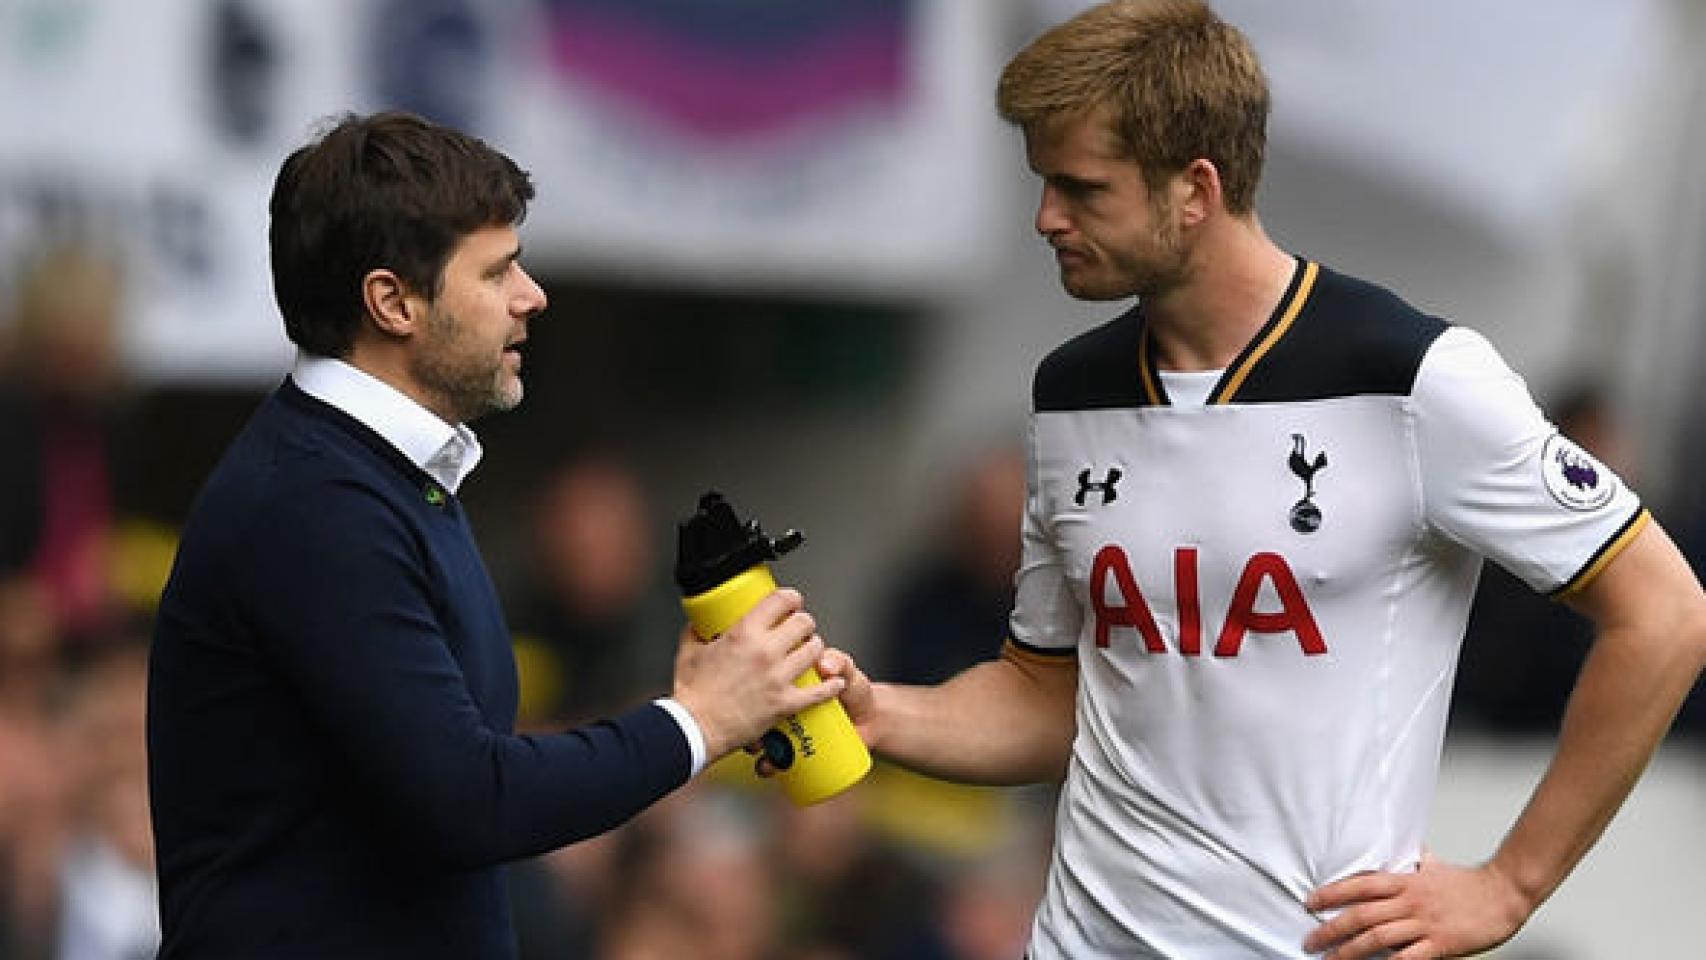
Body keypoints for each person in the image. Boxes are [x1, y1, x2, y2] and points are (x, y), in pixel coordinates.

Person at [814, 3, 1706, 957]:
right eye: (1043, 183)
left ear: (1194, 188)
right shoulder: (1068, 393)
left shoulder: (1414, 378)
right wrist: (876, 710)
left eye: (1081, 188)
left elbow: (1666, 616)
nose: (1047, 218)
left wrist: (1510, 884)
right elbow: (1047, 699)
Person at [146, 111, 844, 959]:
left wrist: (694, 709)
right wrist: (698, 721)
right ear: (392, 302)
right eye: (499, 271)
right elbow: (470, 799)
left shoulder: (385, 474)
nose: (532, 295)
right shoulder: (313, 503)